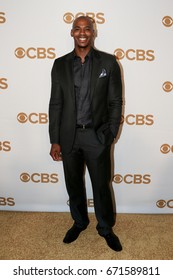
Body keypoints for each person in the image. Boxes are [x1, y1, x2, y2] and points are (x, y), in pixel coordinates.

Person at [49, 16, 123, 252]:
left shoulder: (109, 63)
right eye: (78, 29)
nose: (82, 33)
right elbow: (56, 104)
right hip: (69, 136)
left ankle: (105, 228)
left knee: (101, 185)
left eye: (87, 29)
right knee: (74, 184)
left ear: (93, 32)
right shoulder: (59, 64)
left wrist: (109, 133)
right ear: (72, 33)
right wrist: (55, 139)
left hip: (96, 136)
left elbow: (114, 101)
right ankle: (79, 222)